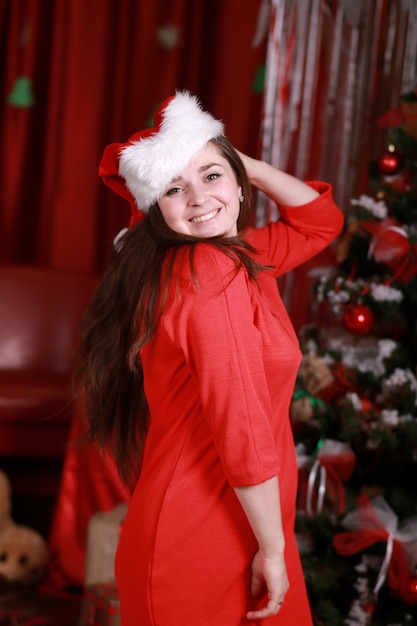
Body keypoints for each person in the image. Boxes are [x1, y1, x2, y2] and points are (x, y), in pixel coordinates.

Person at [77, 91, 344, 625]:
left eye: (212, 177)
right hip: (205, 534)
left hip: (245, 521)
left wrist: (239, 162)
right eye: (175, 187)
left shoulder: (240, 256)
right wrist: (273, 549)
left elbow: (320, 223)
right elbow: (240, 427)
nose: (199, 198)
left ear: (239, 184)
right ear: (156, 208)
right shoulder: (208, 272)